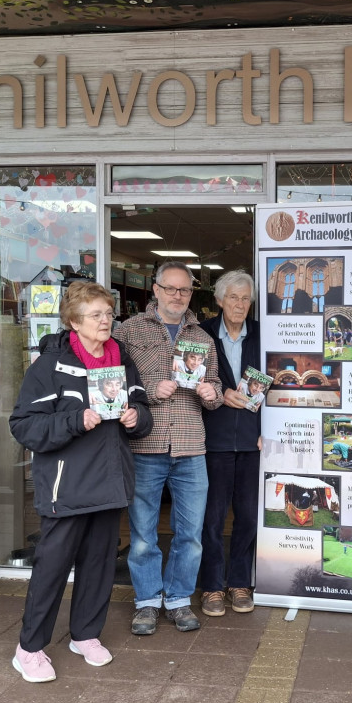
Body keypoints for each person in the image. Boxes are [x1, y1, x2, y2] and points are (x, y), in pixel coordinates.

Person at [9, 281, 153, 683]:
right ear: (74, 321)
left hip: (109, 482)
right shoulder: (49, 366)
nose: (106, 321)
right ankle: (29, 648)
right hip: (66, 487)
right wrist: (74, 420)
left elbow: (142, 409)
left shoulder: (121, 361)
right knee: (52, 569)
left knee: (99, 565)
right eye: (96, 314)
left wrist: (136, 417)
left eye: (109, 313)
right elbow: (23, 426)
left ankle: (85, 635)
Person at [113, 262, 223, 635]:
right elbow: (116, 386)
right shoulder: (128, 331)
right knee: (143, 533)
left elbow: (217, 389)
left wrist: (212, 394)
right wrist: (148, 391)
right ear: (155, 290)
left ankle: (177, 600)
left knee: (189, 533)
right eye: (171, 288)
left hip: (192, 445)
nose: (178, 296)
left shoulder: (204, 337)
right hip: (146, 444)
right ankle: (146, 601)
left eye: (185, 290)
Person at [198, 271, 261, 617]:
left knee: (248, 517)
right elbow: (188, 381)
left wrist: (270, 428)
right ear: (220, 300)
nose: (239, 304)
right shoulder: (201, 334)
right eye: (233, 298)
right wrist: (219, 393)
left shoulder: (262, 336)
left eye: (245, 298)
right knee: (212, 517)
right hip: (214, 439)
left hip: (253, 441)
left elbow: (276, 385)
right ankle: (211, 585)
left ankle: (239, 582)